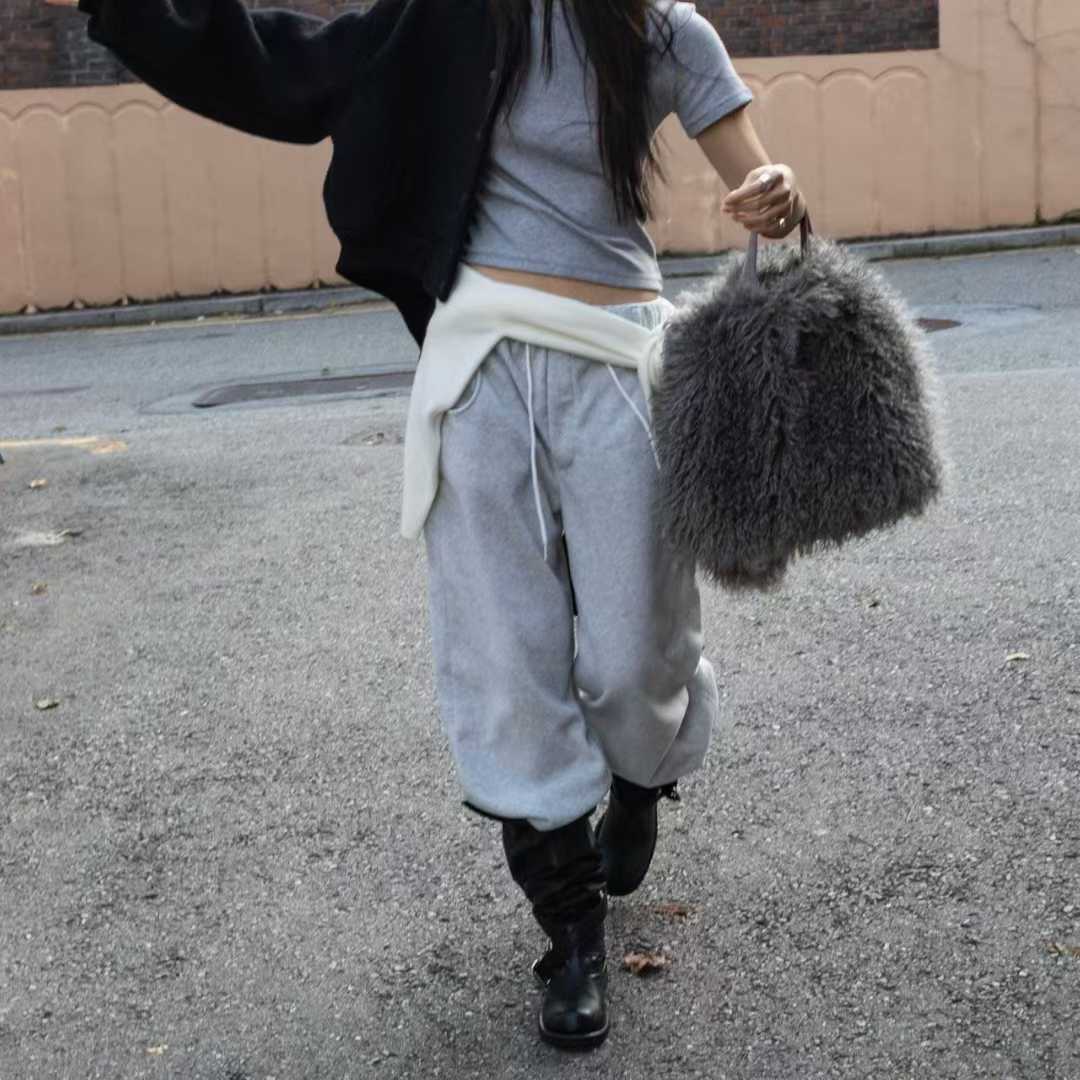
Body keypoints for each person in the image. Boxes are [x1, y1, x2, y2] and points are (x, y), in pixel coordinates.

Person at [51, 0, 804, 1052]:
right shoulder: (447, 19)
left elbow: (768, 196)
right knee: (505, 653)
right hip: (481, 367)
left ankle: (642, 776)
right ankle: (571, 930)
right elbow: (283, 66)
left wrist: (777, 198)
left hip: (617, 363)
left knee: (638, 650)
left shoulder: (664, 31)